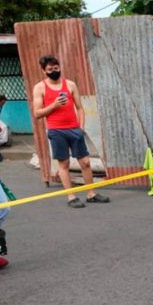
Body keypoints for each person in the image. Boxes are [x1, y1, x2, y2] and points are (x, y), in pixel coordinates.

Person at [32, 55, 110, 208]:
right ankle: (71, 196)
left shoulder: (70, 85)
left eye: (56, 68)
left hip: (74, 129)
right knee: (64, 164)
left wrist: (81, 126)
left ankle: (91, 193)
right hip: (56, 131)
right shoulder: (40, 87)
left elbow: (80, 108)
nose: (54, 71)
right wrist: (54, 105)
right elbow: (37, 113)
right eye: (50, 69)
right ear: (44, 71)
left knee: (86, 163)